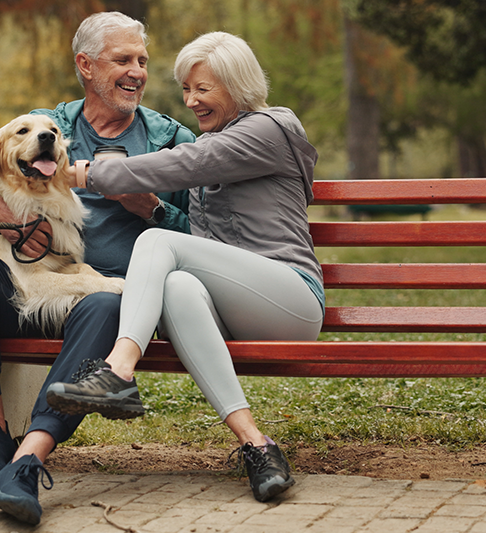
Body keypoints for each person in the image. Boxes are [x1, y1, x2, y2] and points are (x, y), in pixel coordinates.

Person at [0, 11, 195, 525]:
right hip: (29, 286)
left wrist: (156, 211)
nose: (137, 72)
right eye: (123, 60)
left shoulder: (169, 139)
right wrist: (2, 214)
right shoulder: (45, 126)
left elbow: (209, 234)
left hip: (107, 302)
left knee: (102, 301)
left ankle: (27, 461)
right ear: (86, 66)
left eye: (142, 61)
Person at [45, 32, 325, 503]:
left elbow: (186, 162)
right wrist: (155, 212)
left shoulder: (269, 129)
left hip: (291, 299)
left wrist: (85, 173)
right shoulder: (217, 140)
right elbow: (203, 241)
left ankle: (118, 369)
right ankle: (258, 445)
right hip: (238, 303)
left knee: (158, 245)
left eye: (204, 89)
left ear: (237, 85)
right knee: (175, 285)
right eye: (186, 90)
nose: (191, 101)